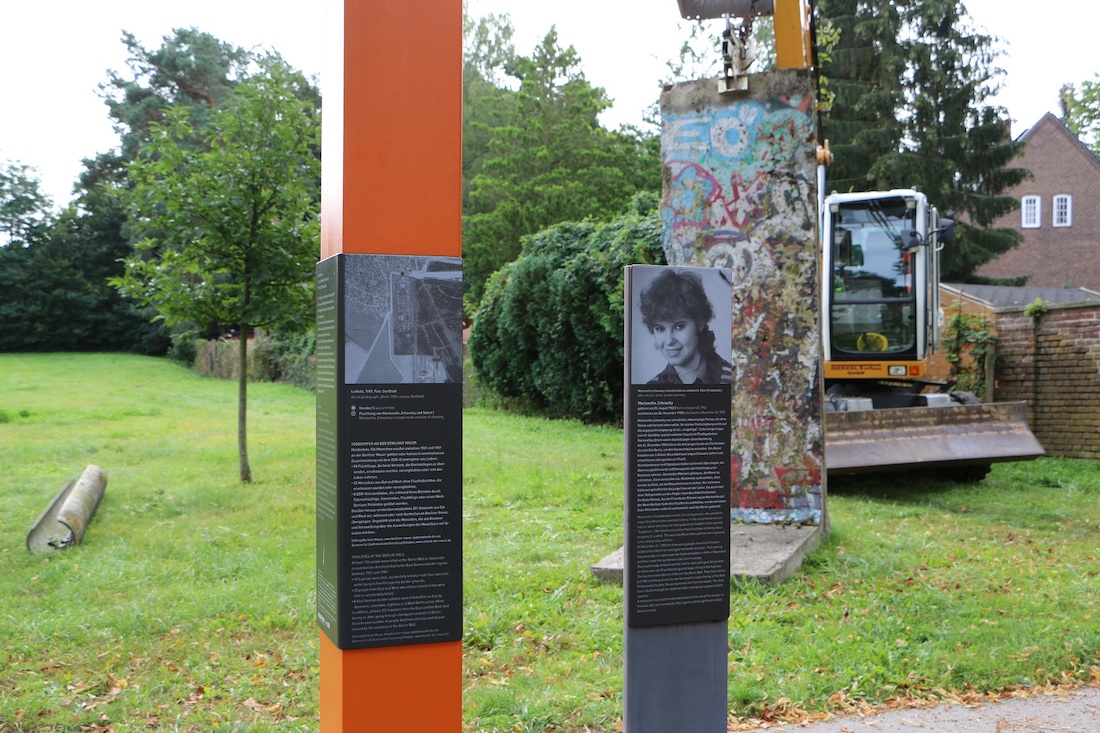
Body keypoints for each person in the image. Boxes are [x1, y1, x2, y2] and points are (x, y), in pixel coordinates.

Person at [639, 269, 732, 385]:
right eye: (660, 329)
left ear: (699, 323)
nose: (669, 341)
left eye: (678, 327)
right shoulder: (651, 388)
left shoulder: (733, 380)